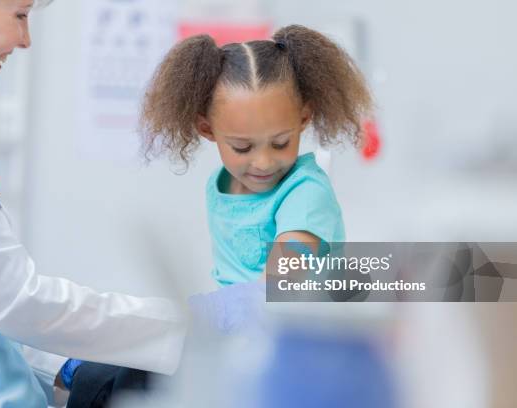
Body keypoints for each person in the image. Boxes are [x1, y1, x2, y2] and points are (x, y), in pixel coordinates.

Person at [0, 1, 186, 407]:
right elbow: (14, 298)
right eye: (21, 15)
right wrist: (185, 328)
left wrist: (66, 366)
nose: (26, 40)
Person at [141, 24, 372, 290]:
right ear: (207, 129)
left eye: (280, 143)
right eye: (242, 147)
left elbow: (283, 281)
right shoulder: (219, 185)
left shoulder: (306, 193)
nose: (264, 162)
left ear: (303, 119)